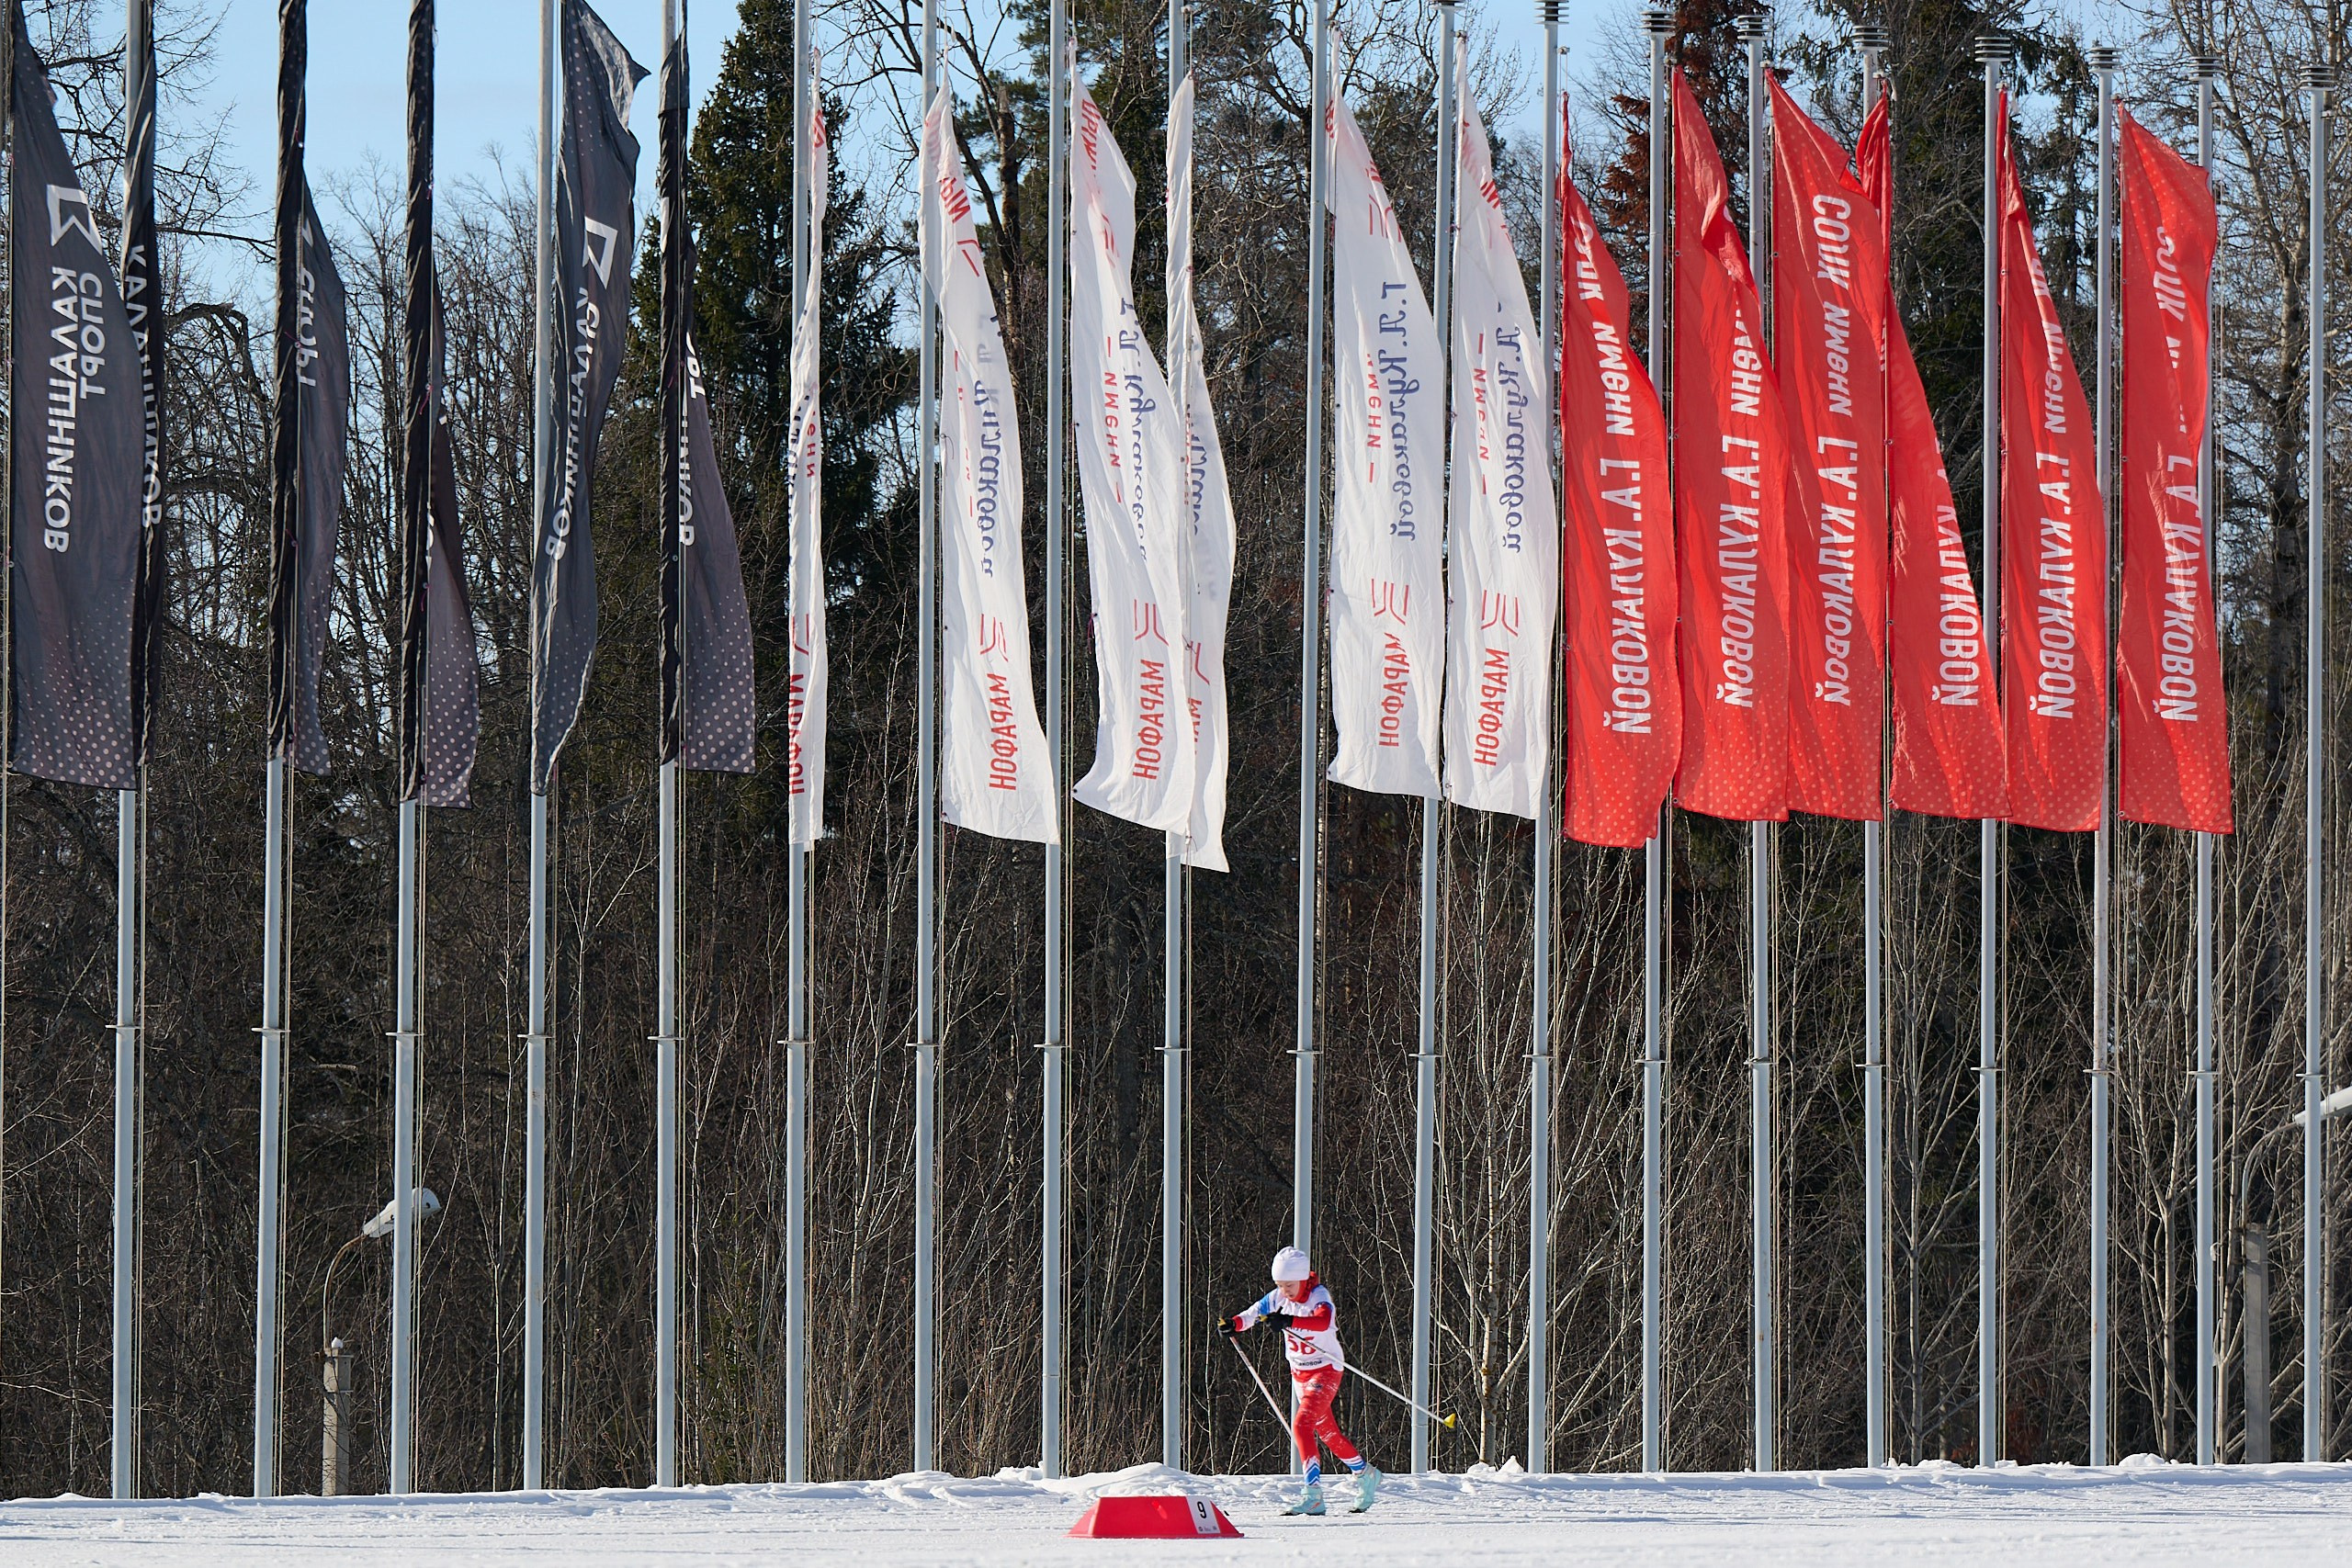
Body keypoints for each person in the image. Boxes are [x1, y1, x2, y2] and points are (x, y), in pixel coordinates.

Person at [1219, 1247, 1380, 1516]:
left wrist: (1288, 1320)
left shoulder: (1318, 1296)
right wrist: (1233, 1324)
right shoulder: (1278, 1298)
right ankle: (1365, 1473)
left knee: (1302, 1424)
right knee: (1327, 1433)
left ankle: (1313, 1495)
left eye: (1289, 1285)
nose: (1285, 1291)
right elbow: (1250, 1315)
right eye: (1280, 1285)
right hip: (1300, 1374)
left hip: (1325, 1370)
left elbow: (1322, 1321)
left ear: (1303, 1279)